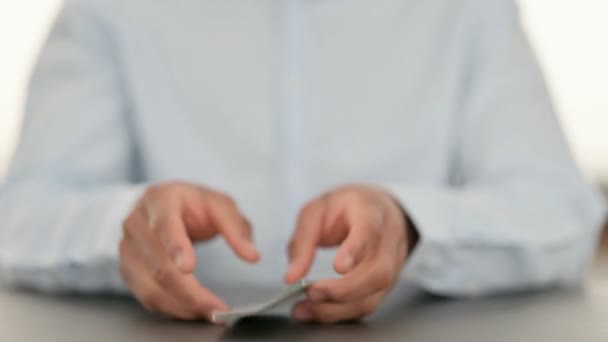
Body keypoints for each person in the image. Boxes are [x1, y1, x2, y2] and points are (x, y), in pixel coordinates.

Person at [0, 0, 605, 323]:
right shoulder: (109, 9)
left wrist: (410, 221)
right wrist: (124, 225)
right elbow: (19, 217)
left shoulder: (468, 9)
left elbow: (560, 212)